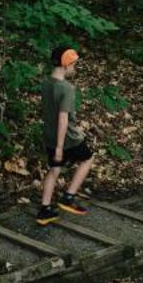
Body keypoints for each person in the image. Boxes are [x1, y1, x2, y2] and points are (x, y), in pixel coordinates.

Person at [36, 45, 93, 226]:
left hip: (49, 135)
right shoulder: (66, 88)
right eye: (73, 65)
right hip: (67, 137)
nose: (74, 69)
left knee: (54, 169)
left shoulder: (46, 82)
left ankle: (45, 210)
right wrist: (61, 147)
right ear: (65, 65)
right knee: (87, 159)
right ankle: (68, 197)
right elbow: (63, 118)